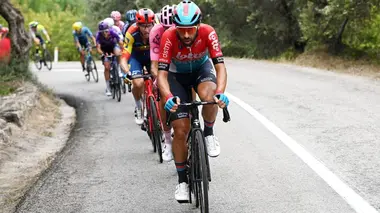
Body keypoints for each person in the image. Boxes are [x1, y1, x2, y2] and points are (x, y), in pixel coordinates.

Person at [157, 0, 229, 202]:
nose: (186, 35)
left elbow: (220, 67)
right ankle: (182, 182)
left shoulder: (208, 32)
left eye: (190, 29)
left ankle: (208, 133)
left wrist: (221, 92)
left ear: (198, 25)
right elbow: (161, 76)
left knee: (210, 97)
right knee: (180, 129)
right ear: (175, 27)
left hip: (200, 71)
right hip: (176, 77)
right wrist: (168, 97)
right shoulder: (168, 36)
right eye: (182, 30)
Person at [149, 4, 176, 162]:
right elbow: (154, 64)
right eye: (165, 27)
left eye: (171, 27)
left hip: (179, 62)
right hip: (162, 64)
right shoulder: (155, 32)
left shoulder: (182, 31)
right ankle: (167, 139)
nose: (168, 30)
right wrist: (158, 79)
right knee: (161, 94)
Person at [120, 8, 155, 125]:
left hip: (152, 56)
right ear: (137, 24)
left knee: (160, 80)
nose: (147, 29)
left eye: (149, 25)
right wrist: (127, 72)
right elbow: (124, 58)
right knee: (138, 82)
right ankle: (139, 107)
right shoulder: (131, 32)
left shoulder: (157, 31)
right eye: (143, 26)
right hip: (136, 57)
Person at [96, 21, 124, 96]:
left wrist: (123, 49)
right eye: (103, 32)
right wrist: (102, 54)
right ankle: (108, 87)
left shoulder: (112, 32)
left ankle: (118, 68)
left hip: (113, 47)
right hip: (104, 50)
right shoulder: (98, 35)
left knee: (118, 53)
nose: (105, 33)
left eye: (106, 31)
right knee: (107, 67)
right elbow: (98, 48)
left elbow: (120, 42)